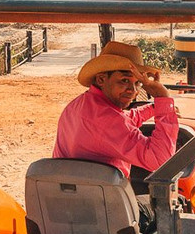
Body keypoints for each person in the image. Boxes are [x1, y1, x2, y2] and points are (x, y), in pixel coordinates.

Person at [52, 41, 178, 179]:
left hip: (64, 189)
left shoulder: (76, 106)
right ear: (101, 79)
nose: (133, 90)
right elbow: (161, 161)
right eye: (124, 80)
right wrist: (162, 97)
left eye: (138, 83)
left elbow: (120, 121)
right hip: (101, 192)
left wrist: (154, 108)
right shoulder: (109, 121)